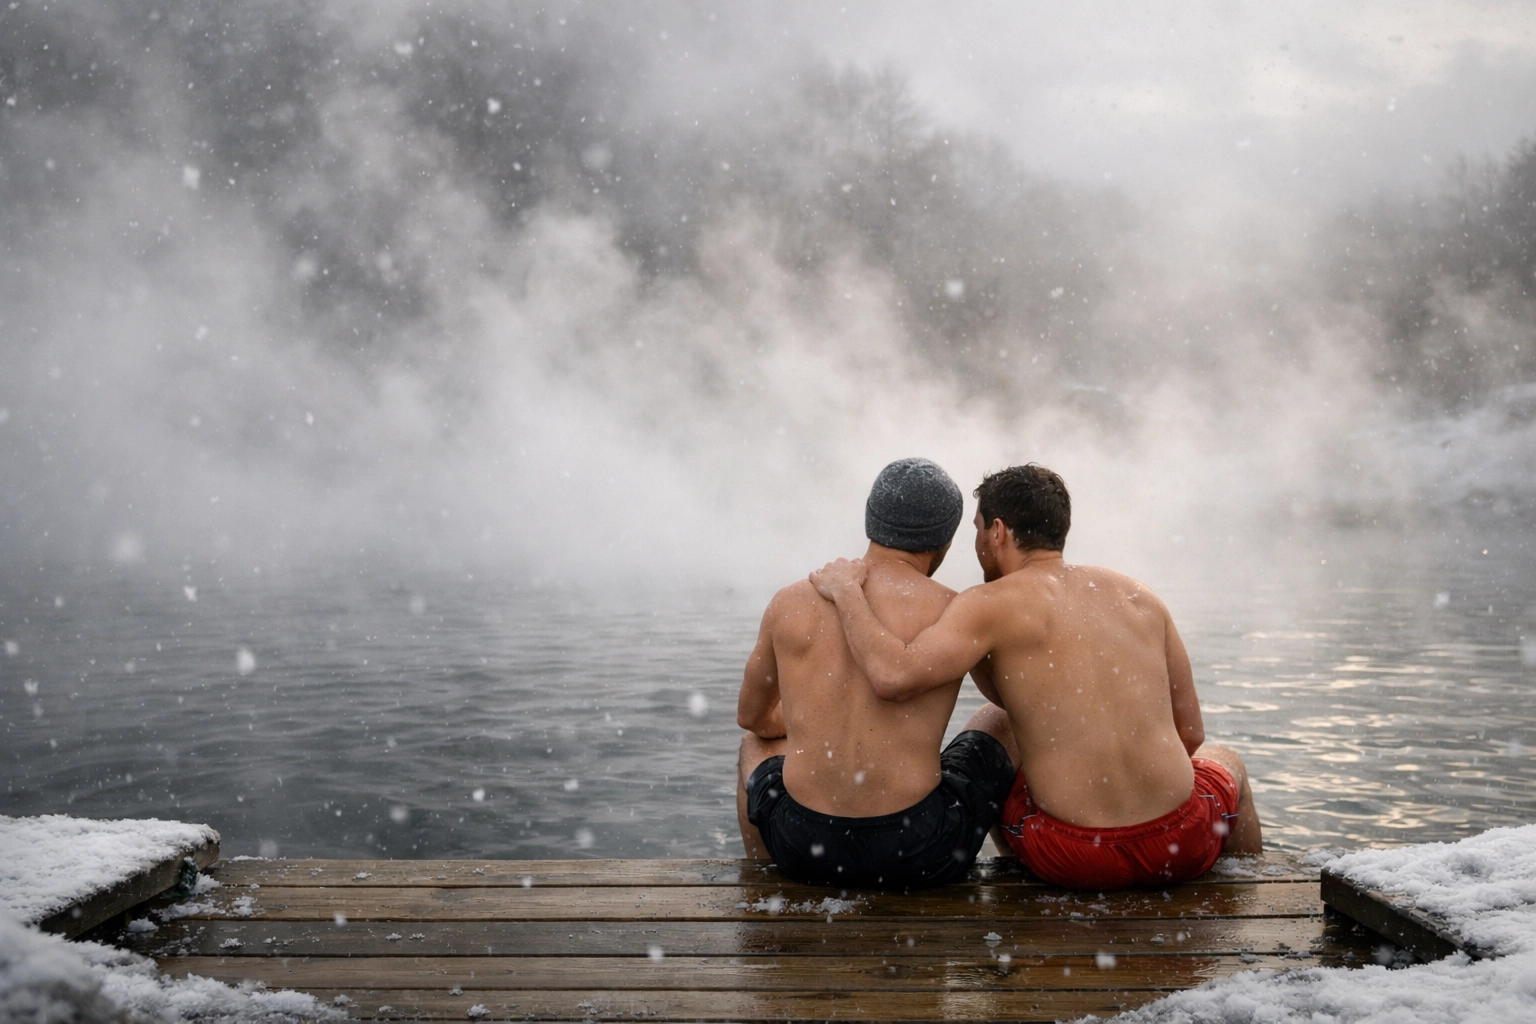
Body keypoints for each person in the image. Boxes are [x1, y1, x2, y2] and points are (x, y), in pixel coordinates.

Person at [809, 463, 1262, 890]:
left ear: (999, 531)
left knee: (989, 749)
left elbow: (890, 675)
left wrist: (848, 592)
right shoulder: (1139, 596)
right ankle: (1257, 894)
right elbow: (1191, 733)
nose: (978, 545)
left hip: (1073, 856)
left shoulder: (987, 604)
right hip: (1181, 846)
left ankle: (1025, 897)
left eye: (978, 531)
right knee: (1228, 762)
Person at [736, 458, 1016, 888]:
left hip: (802, 845)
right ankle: (1018, 869)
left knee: (756, 744)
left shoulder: (789, 602)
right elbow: (1015, 700)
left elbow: (752, 717)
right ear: (944, 539)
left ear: (871, 519)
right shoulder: (956, 610)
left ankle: (764, 880)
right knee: (1002, 723)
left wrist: (806, 728)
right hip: (919, 850)